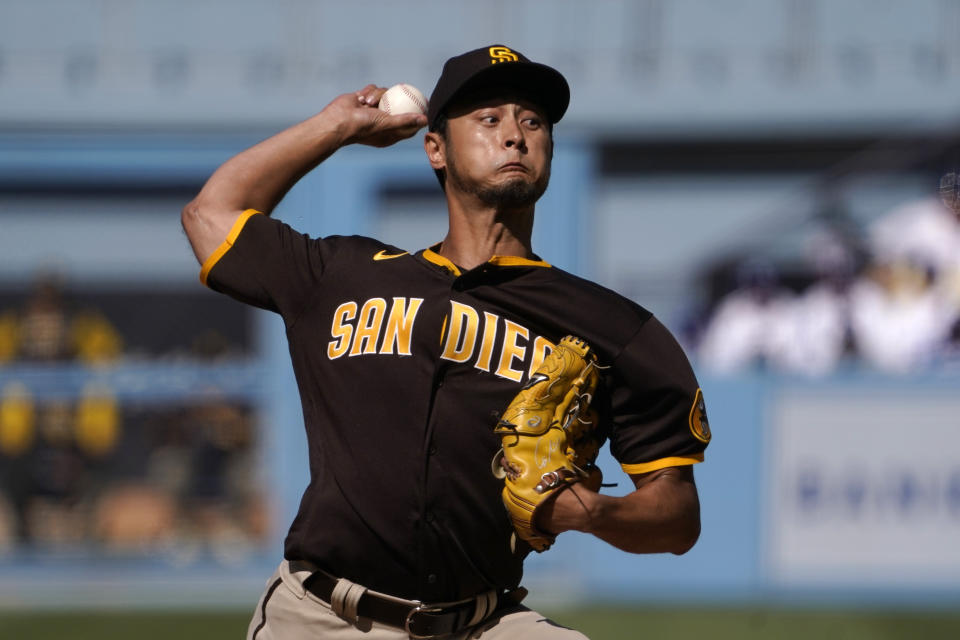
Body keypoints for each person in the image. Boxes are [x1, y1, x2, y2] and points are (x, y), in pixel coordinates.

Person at [182, 44, 709, 640]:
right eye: (489, 119)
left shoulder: (612, 327)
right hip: (321, 616)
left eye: (532, 122)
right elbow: (211, 214)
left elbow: (677, 517)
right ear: (435, 148)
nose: (514, 135)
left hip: (483, 622)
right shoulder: (343, 275)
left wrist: (592, 513)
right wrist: (338, 127)